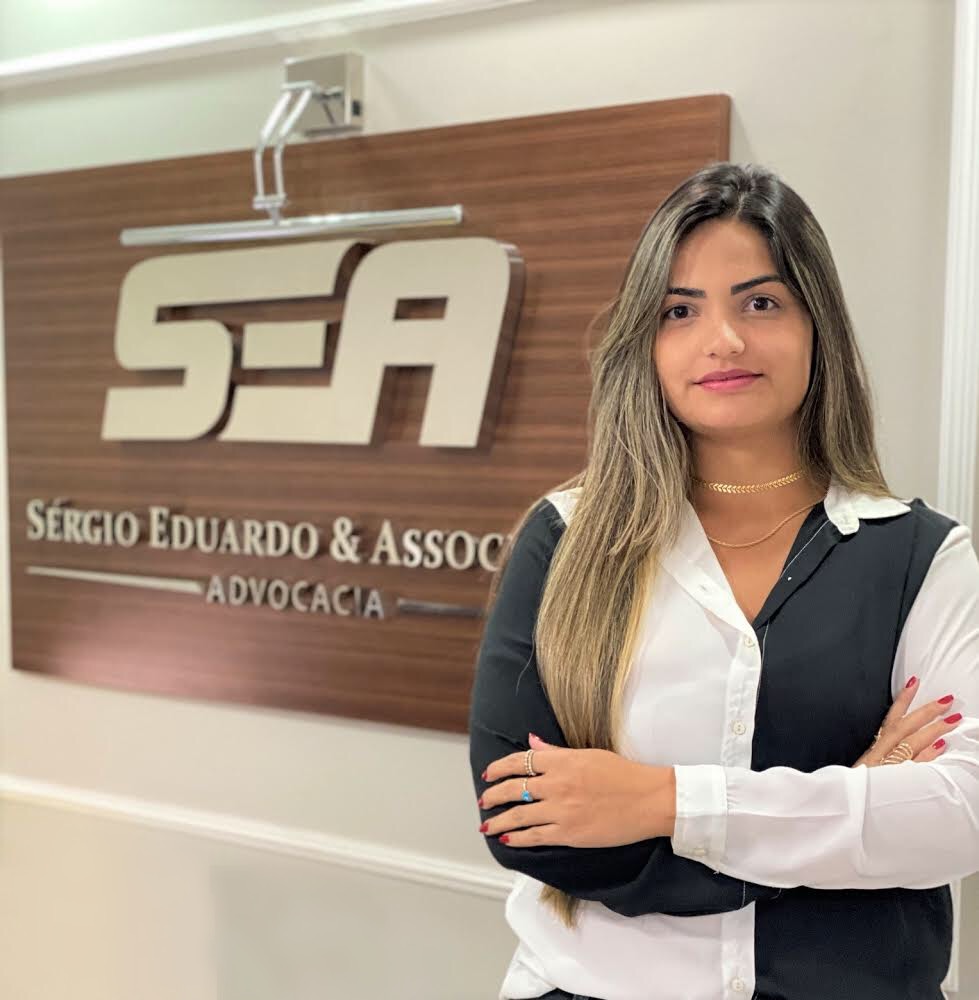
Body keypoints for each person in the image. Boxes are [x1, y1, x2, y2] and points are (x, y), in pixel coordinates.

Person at [467, 161, 979, 1000]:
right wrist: (854, 809)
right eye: (679, 310)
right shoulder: (563, 539)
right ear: (646, 341)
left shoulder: (921, 556)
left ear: (816, 326)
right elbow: (526, 824)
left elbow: (958, 817)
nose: (723, 340)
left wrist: (663, 802)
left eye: (760, 303)